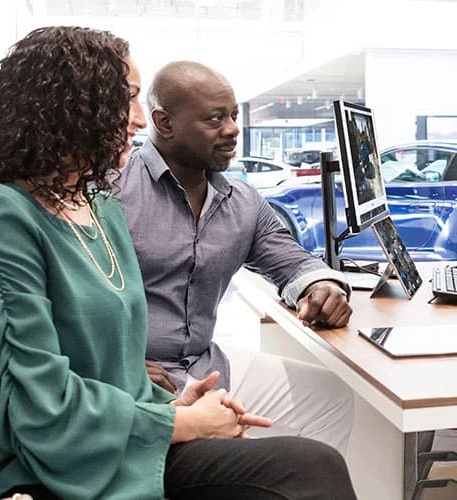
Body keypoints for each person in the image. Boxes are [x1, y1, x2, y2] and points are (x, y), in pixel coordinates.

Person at [0, 26, 356, 500]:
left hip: (123, 434)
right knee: (307, 470)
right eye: (127, 100)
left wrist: (173, 404)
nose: (138, 121)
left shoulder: (99, 209)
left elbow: (108, 363)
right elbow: (36, 409)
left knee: (312, 459)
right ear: (68, 107)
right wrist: (183, 422)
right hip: (35, 465)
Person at [118, 60, 356, 455]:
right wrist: (114, 364)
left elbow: (293, 261)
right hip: (134, 382)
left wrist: (321, 285)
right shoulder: (113, 190)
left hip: (206, 366)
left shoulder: (242, 202)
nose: (232, 129)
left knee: (331, 397)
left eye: (232, 115)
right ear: (164, 122)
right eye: (215, 119)